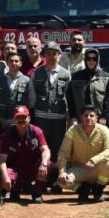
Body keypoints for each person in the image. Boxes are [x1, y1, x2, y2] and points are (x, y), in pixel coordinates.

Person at [57, 104, 109, 202]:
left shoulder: (104, 130)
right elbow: (63, 152)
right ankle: (82, 189)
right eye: (85, 115)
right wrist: (62, 171)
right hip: (79, 169)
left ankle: (98, 189)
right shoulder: (72, 130)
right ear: (81, 117)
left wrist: (94, 160)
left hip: (96, 169)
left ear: (96, 118)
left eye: (91, 116)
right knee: (62, 181)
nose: (88, 118)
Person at [28, 41, 72, 171]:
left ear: (59, 54)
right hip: (41, 117)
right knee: (41, 146)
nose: (51, 56)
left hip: (59, 117)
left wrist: (69, 114)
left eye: (54, 53)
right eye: (48, 53)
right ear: (44, 55)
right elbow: (32, 94)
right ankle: (42, 176)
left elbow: (69, 96)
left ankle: (54, 178)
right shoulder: (37, 73)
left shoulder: (66, 74)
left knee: (57, 148)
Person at [0, 105, 51, 204]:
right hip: (15, 169)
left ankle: (37, 193)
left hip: (33, 168)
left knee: (47, 164)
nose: (21, 120)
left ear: (29, 119)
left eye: (24, 117)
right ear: (14, 119)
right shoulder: (7, 135)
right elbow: (2, 160)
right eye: (18, 117)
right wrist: (5, 176)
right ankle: (14, 191)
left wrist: (43, 163)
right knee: (1, 177)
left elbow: (46, 150)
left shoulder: (36, 131)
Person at [69, 48, 109, 125]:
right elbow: (70, 99)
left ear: (98, 60)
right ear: (85, 60)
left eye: (94, 59)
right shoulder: (76, 76)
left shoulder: (105, 76)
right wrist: (73, 117)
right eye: (88, 59)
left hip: (98, 120)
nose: (91, 61)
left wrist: (104, 117)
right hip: (79, 120)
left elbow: (108, 99)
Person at [0, 51, 31, 116]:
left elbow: (31, 99)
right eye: (11, 61)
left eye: (16, 61)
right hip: (3, 116)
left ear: (21, 63)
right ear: (7, 63)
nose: (13, 63)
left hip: (20, 116)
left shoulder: (27, 80)